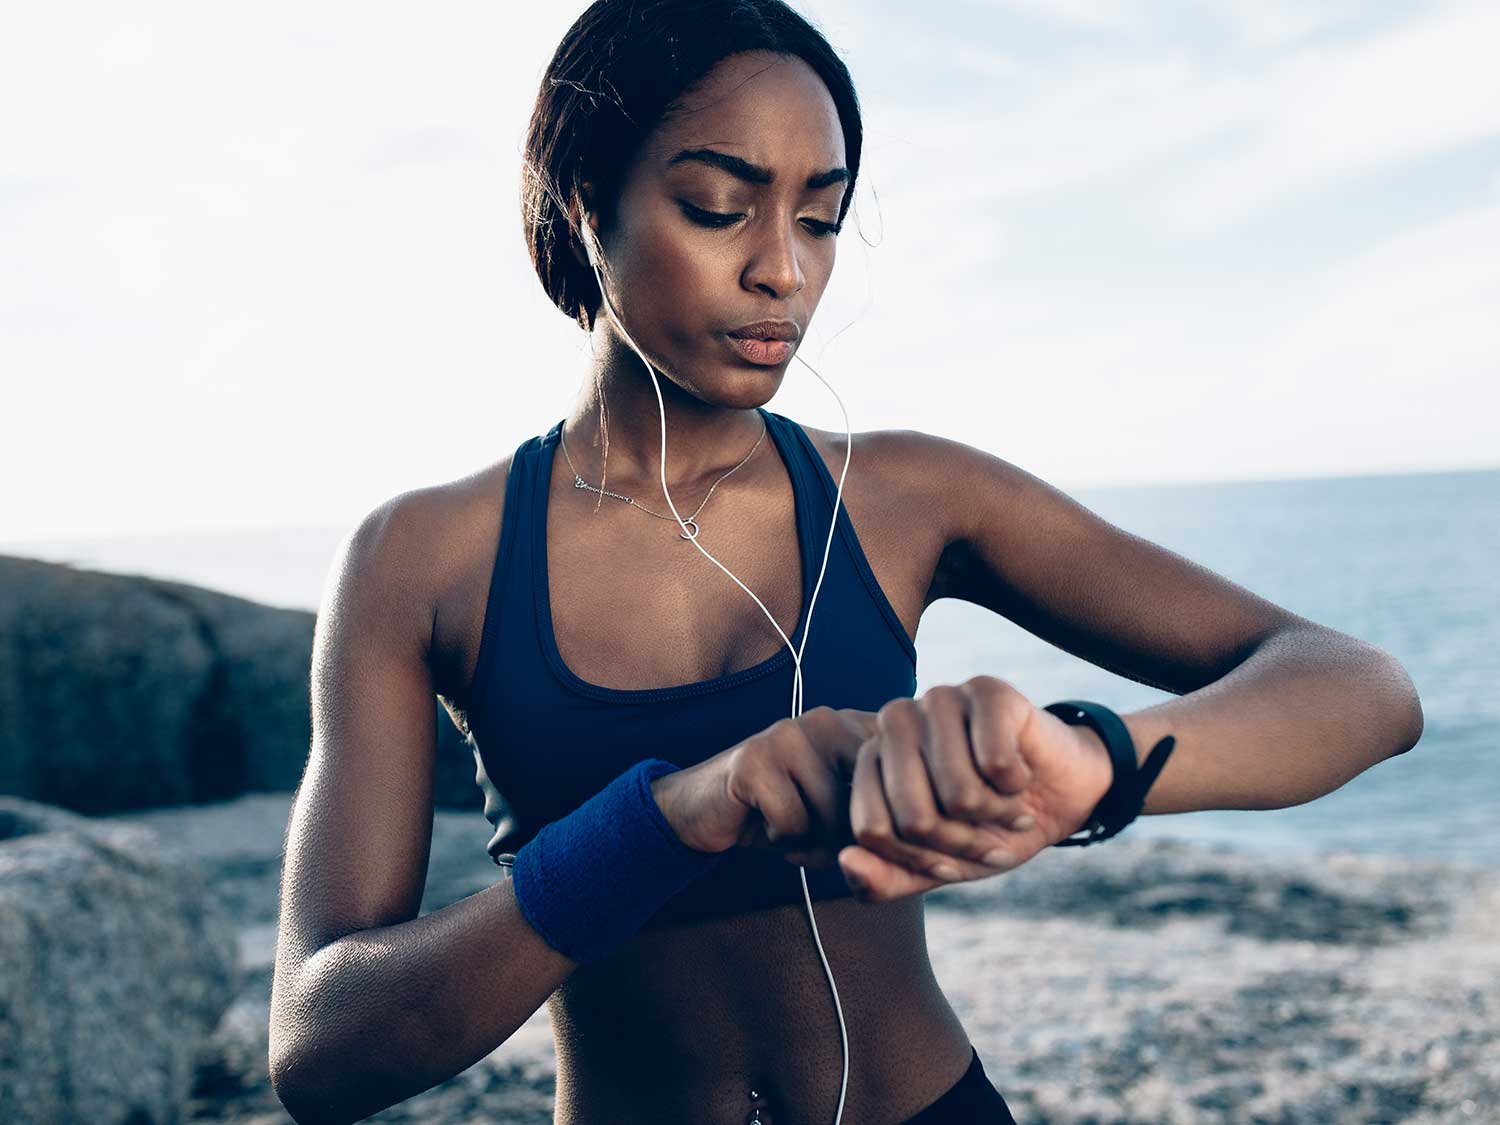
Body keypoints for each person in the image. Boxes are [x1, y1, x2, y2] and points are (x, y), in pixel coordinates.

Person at [267, 3, 1426, 1123]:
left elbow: (1359, 689)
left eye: (820, 219)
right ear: (584, 200)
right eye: (718, 208)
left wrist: (1090, 764)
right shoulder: (423, 558)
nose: (784, 270)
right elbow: (320, 1052)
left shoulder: (909, 497)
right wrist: (673, 818)